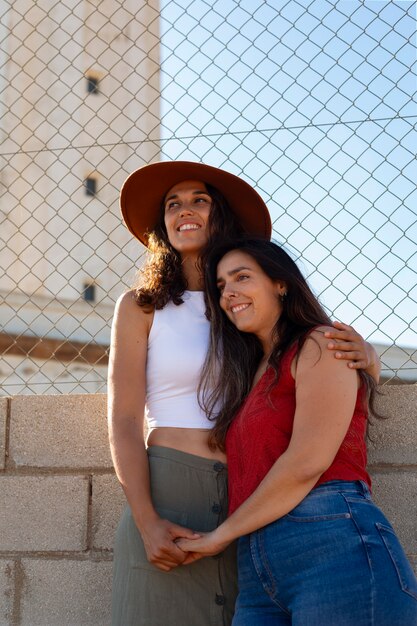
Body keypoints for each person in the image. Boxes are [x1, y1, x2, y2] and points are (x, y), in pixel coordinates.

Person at [108, 161, 381, 626]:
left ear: (223, 217)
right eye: (173, 204)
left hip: (254, 497)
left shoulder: (244, 302)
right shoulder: (142, 305)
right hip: (168, 488)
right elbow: (124, 419)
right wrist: (146, 518)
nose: (184, 211)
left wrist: (368, 360)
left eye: (200, 200)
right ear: (162, 223)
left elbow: (302, 359)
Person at [178, 237, 417, 626]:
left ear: (281, 283)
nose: (229, 293)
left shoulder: (321, 342)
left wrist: (219, 536)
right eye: (221, 286)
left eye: (241, 277)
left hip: (332, 544)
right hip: (258, 565)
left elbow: (307, 461)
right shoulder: (253, 374)